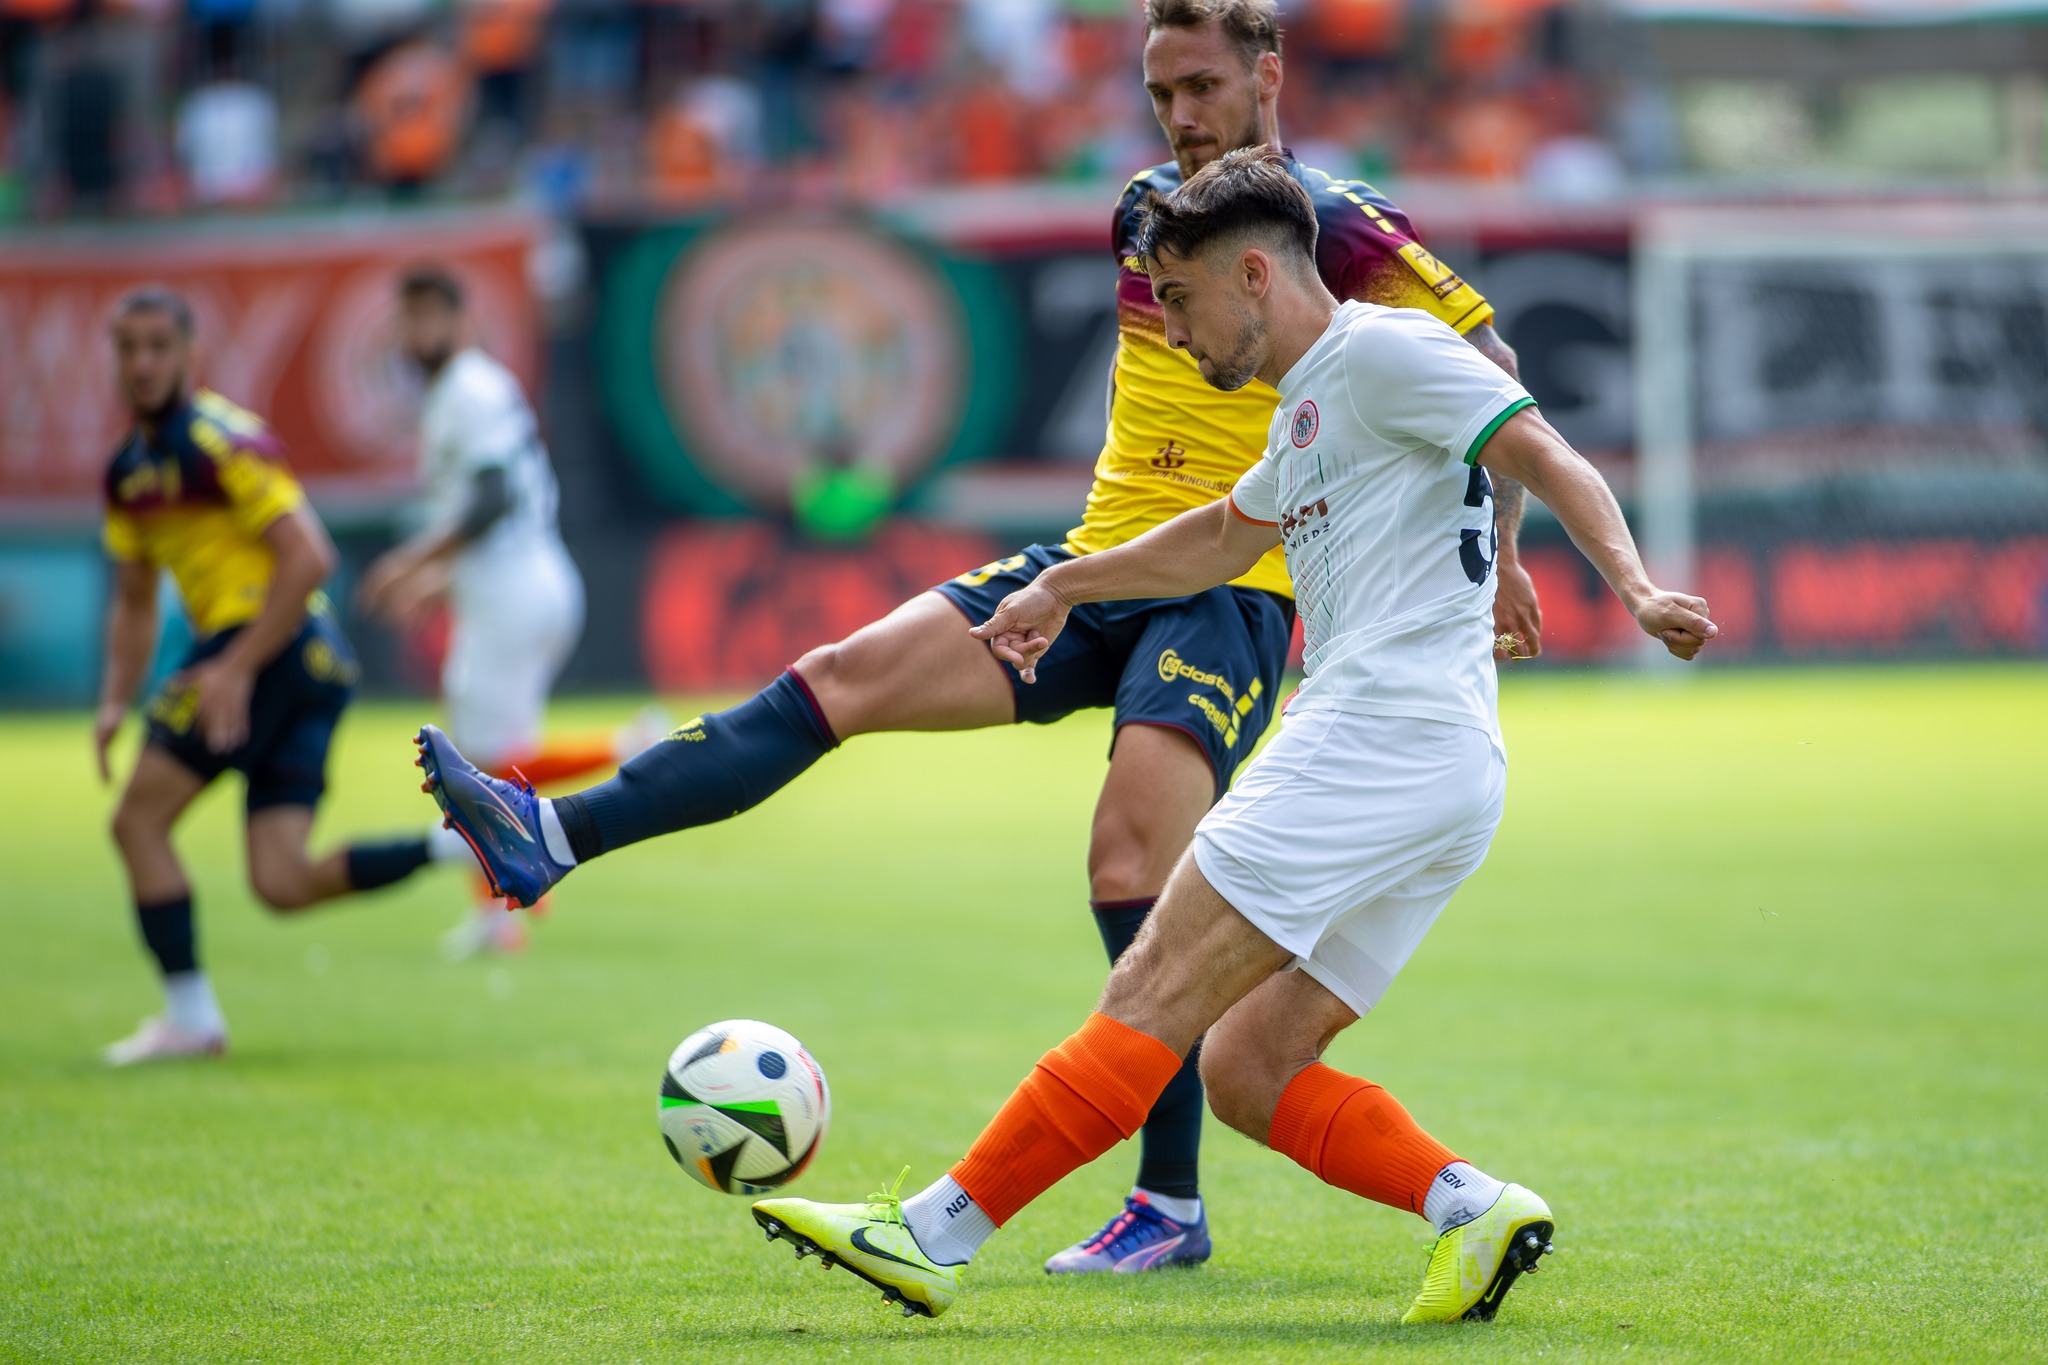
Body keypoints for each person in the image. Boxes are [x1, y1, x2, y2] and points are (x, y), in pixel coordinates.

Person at [413, 0, 1541, 1271]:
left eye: (1202, 87)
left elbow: (1489, 365)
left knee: (1129, 861)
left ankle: (1166, 1204)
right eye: (1159, 91)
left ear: (1267, 74)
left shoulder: (1334, 222)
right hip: (1094, 563)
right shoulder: (1142, 210)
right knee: (839, 677)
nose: (1178, 117)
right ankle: (553, 836)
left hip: (1231, 586)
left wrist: (1496, 554)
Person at [747, 148, 1718, 1324]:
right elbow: (1216, 537)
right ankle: (1472, 1207)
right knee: (1245, 1067)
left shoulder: (1382, 351)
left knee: (1153, 980)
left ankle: (928, 1235)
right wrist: (1063, 586)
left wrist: (1634, 587)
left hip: (1373, 736)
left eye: (1180, 300)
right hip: (1439, 763)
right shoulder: (1312, 401)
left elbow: (1543, 450)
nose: (1170, 331)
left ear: (1253, 274)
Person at [94, 288, 443, 1066]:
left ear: (190, 356)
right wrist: (115, 699)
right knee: (282, 880)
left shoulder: (219, 442)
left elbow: (310, 556)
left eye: (158, 346)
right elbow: (135, 599)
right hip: (307, 662)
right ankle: (459, 845)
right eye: (128, 348)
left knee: (137, 822)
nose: (142, 363)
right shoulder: (127, 471)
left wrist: (234, 666)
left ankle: (190, 1019)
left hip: (265, 646)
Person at [358, 266, 659, 958]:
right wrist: (438, 579)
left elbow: (492, 501)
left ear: (464, 321)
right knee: (487, 764)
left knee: (477, 768)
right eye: (409, 318)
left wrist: (411, 563)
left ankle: (622, 753)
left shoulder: (468, 388)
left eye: (431, 315)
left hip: (513, 594)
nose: (418, 332)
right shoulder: (463, 391)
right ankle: (508, 904)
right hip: (517, 583)